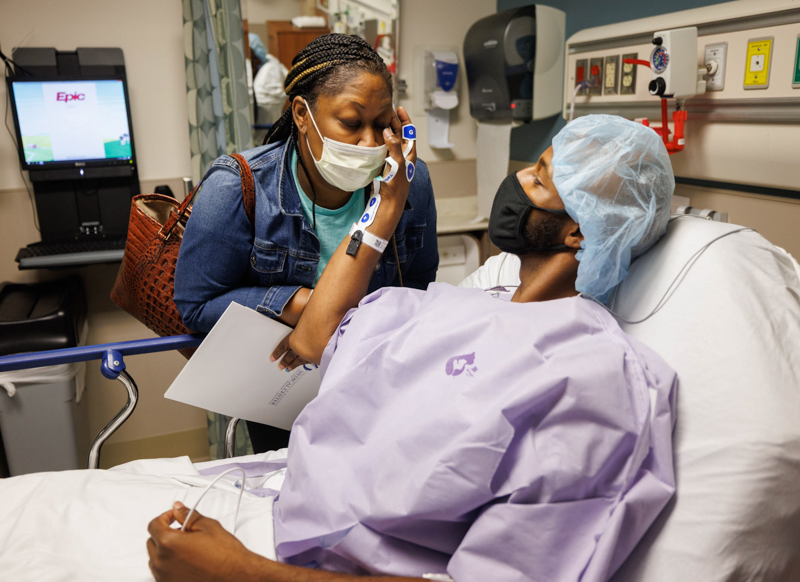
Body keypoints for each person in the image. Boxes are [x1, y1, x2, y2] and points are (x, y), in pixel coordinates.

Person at [146, 114, 678, 582]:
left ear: (579, 234)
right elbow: (314, 338)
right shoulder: (452, 304)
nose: (516, 179)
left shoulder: (593, 374)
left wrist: (242, 574)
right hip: (276, 524)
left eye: (539, 180)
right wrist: (387, 203)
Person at [174, 34, 439, 453]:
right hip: (284, 395)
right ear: (301, 114)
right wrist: (300, 303)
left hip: (375, 384)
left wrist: (392, 202)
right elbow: (195, 305)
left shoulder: (408, 182)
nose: (370, 143)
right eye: (351, 124)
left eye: (382, 123)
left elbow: (421, 286)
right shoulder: (238, 186)